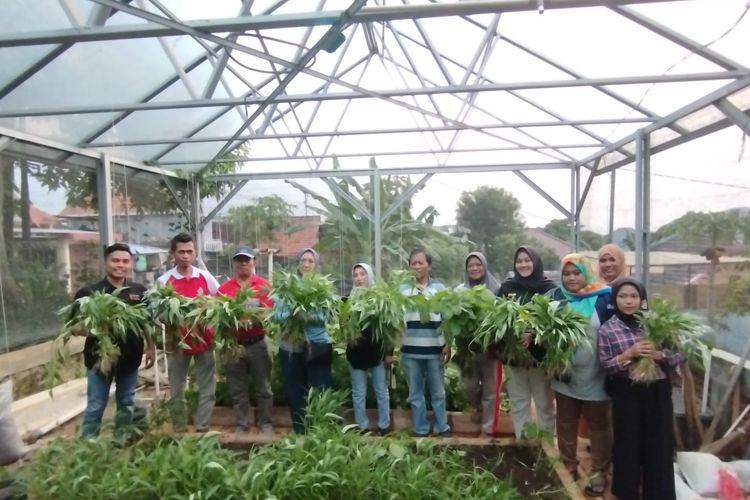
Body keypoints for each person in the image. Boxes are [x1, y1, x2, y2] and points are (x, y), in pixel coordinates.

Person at [599, 277, 681, 500]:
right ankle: (626, 492)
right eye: (622, 296)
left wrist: (659, 355)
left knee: (660, 441)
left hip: (657, 390)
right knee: (627, 441)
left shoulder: (657, 323)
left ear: (642, 299)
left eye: (634, 296)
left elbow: (677, 356)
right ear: (615, 300)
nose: (628, 301)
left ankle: (659, 492)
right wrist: (629, 354)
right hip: (627, 391)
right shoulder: (608, 329)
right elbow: (606, 364)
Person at [74, 242, 155, 439]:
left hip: (130, 358)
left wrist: (151, 347)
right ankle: (90, 447)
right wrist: (97, 330)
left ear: (131, 264)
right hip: (100, 359)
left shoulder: (138, 291)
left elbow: (146, 322)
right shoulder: (90, 293)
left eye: (125, 261)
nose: (120, 265)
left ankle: (122, 440)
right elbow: (74, 327)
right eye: (115, 260)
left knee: (126, 401)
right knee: (96, 404)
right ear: (105, 263)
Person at [551, 253, 613, 497]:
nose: (571, 278)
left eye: (576, 272)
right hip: (565, 373)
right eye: (566, 274)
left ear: (586, 272)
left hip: (596, 374)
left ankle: (598, 472)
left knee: (599, 425)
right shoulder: (558, 298)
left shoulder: (604, 297)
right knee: (565, 422)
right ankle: (568, 466)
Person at [157, 233, 219, 432]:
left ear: (195, 253)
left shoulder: (205, 277)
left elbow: (218, 302)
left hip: (204, 340)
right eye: (181, 252)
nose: (185, 256)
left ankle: (202, 426)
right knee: (176, 387)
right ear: (173, 254)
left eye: (189, 251)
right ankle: (179, 428)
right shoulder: (164, 281)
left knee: (207, 386)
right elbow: (155, 314)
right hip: (177, 342)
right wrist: (170, 317)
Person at [497, 246, 557, 439]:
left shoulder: (549, 289)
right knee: (519, 402)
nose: (523, 264)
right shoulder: (507, 288)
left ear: (536, 262)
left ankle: (546, 446)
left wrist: (534, 334)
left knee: (544, 403)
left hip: (539, 357)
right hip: (513, 356)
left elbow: (555, 322)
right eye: (519, 261)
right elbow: (497, 318)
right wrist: (511, 334)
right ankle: (522, 444)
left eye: (527, 260)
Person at [272, 248, 334, 434]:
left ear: (316, 265)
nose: (306, 264)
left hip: (316, 347)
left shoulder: (323, 287)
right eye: (303, 260)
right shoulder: (287, 286)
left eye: (310, 261)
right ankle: (301, 431)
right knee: (295, 391)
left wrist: (308, 316)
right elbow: (276, 315)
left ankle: (321, 430)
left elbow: (328, 314)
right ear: (298, 263)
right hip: (290, 347)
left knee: (320, 389)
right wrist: (291, 314)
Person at [217, 246, 274, 435]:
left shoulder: (263, 285)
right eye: (239, 260)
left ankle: (266, 423)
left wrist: (254, 319)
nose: (243, 263)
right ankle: (242, 424)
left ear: (254, 263)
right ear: (234, 263)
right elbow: (218, 316)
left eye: (247, 260)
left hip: (257, 343)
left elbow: (269, 312)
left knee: (263, 387)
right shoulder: (224, 289)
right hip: (234, 345)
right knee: (237, 388)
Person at [400, 248, 451, 437]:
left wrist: (448, 343)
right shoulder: (402, 289)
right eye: (413, 263)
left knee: (438, 393)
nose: (416, 266)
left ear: (429, 266)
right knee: (415, 394)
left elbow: (448, 317)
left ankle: (442, 427)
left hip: (434, 349)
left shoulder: (439, 288)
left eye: (420, 263)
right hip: (410, 349)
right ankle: (420, 429)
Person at [345, 263, 392, 435]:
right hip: (356, 354)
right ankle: (362, 427)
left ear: (369, 276)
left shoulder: (380, 299)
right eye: (355, 275)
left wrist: (389, 353)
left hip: (377, 353)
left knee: (382, 391)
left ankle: (384, 426)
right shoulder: (348, 301)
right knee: (359, 393)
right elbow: (344, 328)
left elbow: (389, 329)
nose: (358, 278)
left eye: (362, 274)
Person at [459, 252, 501, 437]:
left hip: (490, 346)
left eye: (478, 265)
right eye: (471, 266)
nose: (474, 268)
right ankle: (478, 407)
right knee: (469, 385)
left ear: (485, 266)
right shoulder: (459, 291)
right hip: (467, 347)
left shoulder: (496, 289)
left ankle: (487, 429)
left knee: (490, 389)